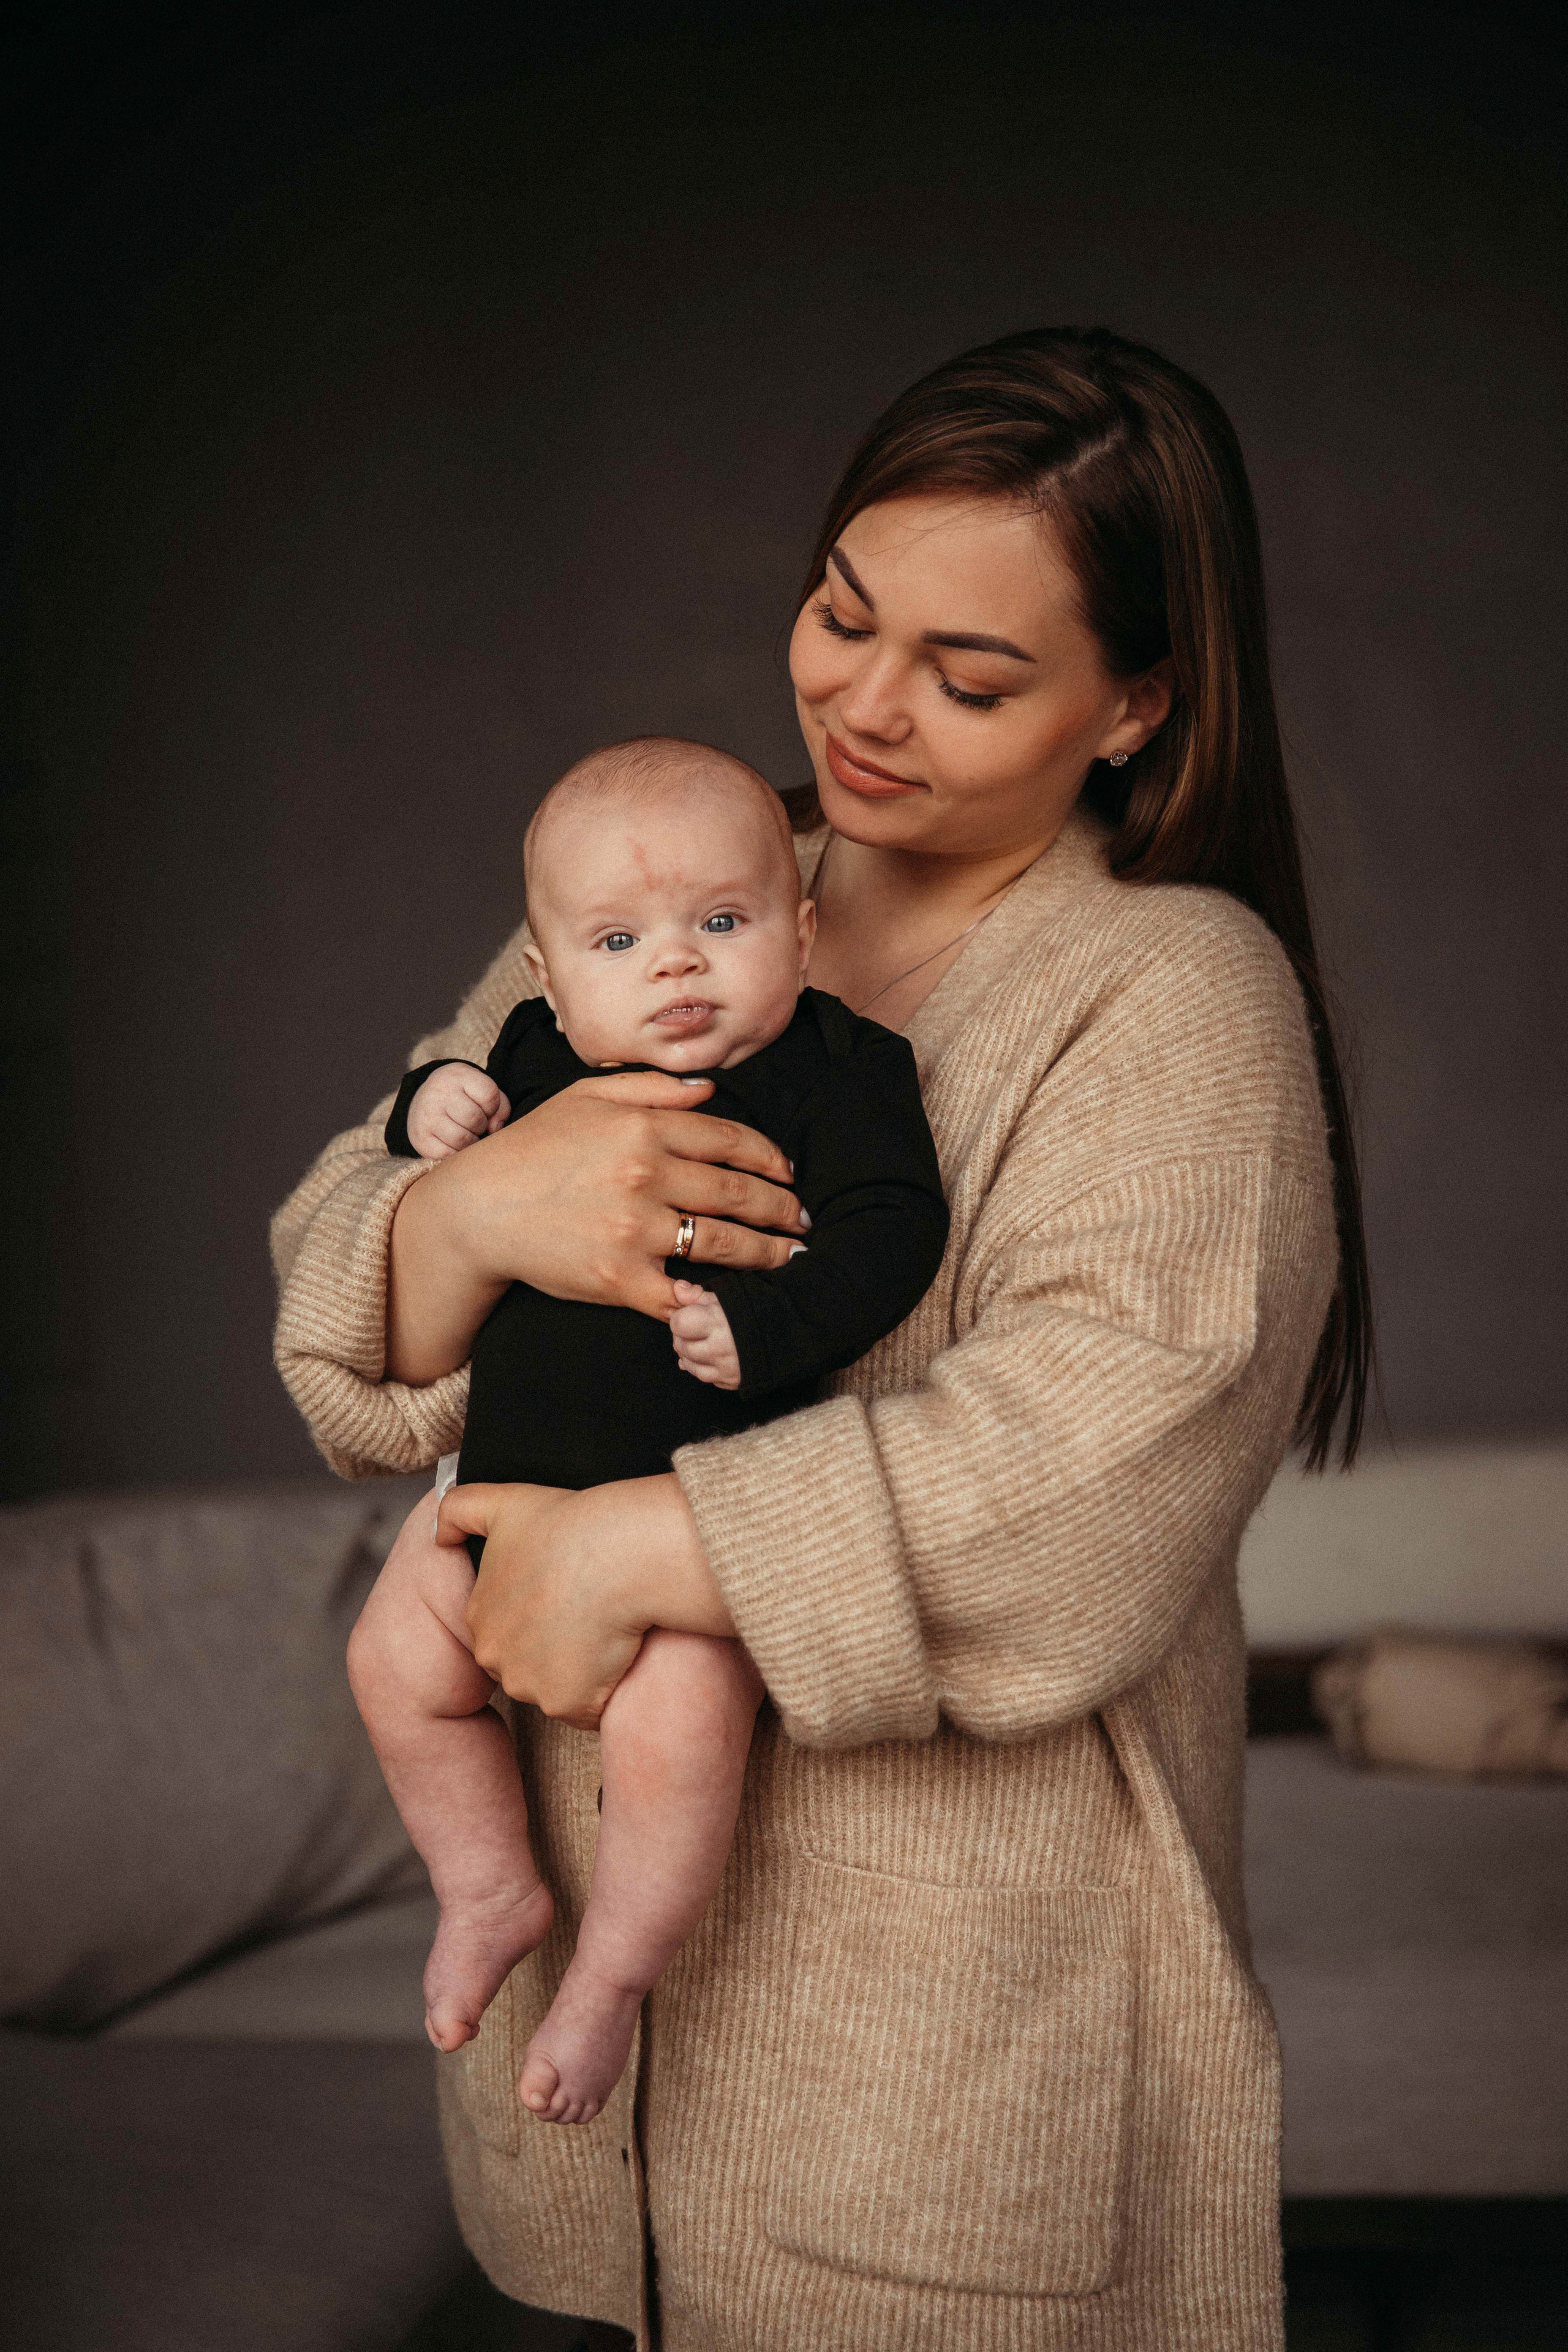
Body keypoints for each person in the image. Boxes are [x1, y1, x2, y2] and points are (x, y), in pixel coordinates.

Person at [271, 326, 1372, 2352]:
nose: (865, 706)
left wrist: (645, 1548)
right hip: (580, 2126)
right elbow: (351, 1305)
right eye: (843, 617)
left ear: (1136, 704)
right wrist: (471, 1208)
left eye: (968, 677)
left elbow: (1109, 1442)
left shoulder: (1168, 993)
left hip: (938, 2084)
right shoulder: (679, 873)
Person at [347, 736, 947, 2124]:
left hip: (699, 1517)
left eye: (720, 925)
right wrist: (421, 1112)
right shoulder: (535, 1052)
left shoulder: (843, 1070)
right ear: (550, 981)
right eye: (619, 941)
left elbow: (892, 1232)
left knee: (678, 1736)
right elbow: (427, 1164)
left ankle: (609, 1978)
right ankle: (488, 1883)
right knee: (391, 1657)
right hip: (493, 1493)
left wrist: (769, 1332)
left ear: (801, 933)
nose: (673, 966)